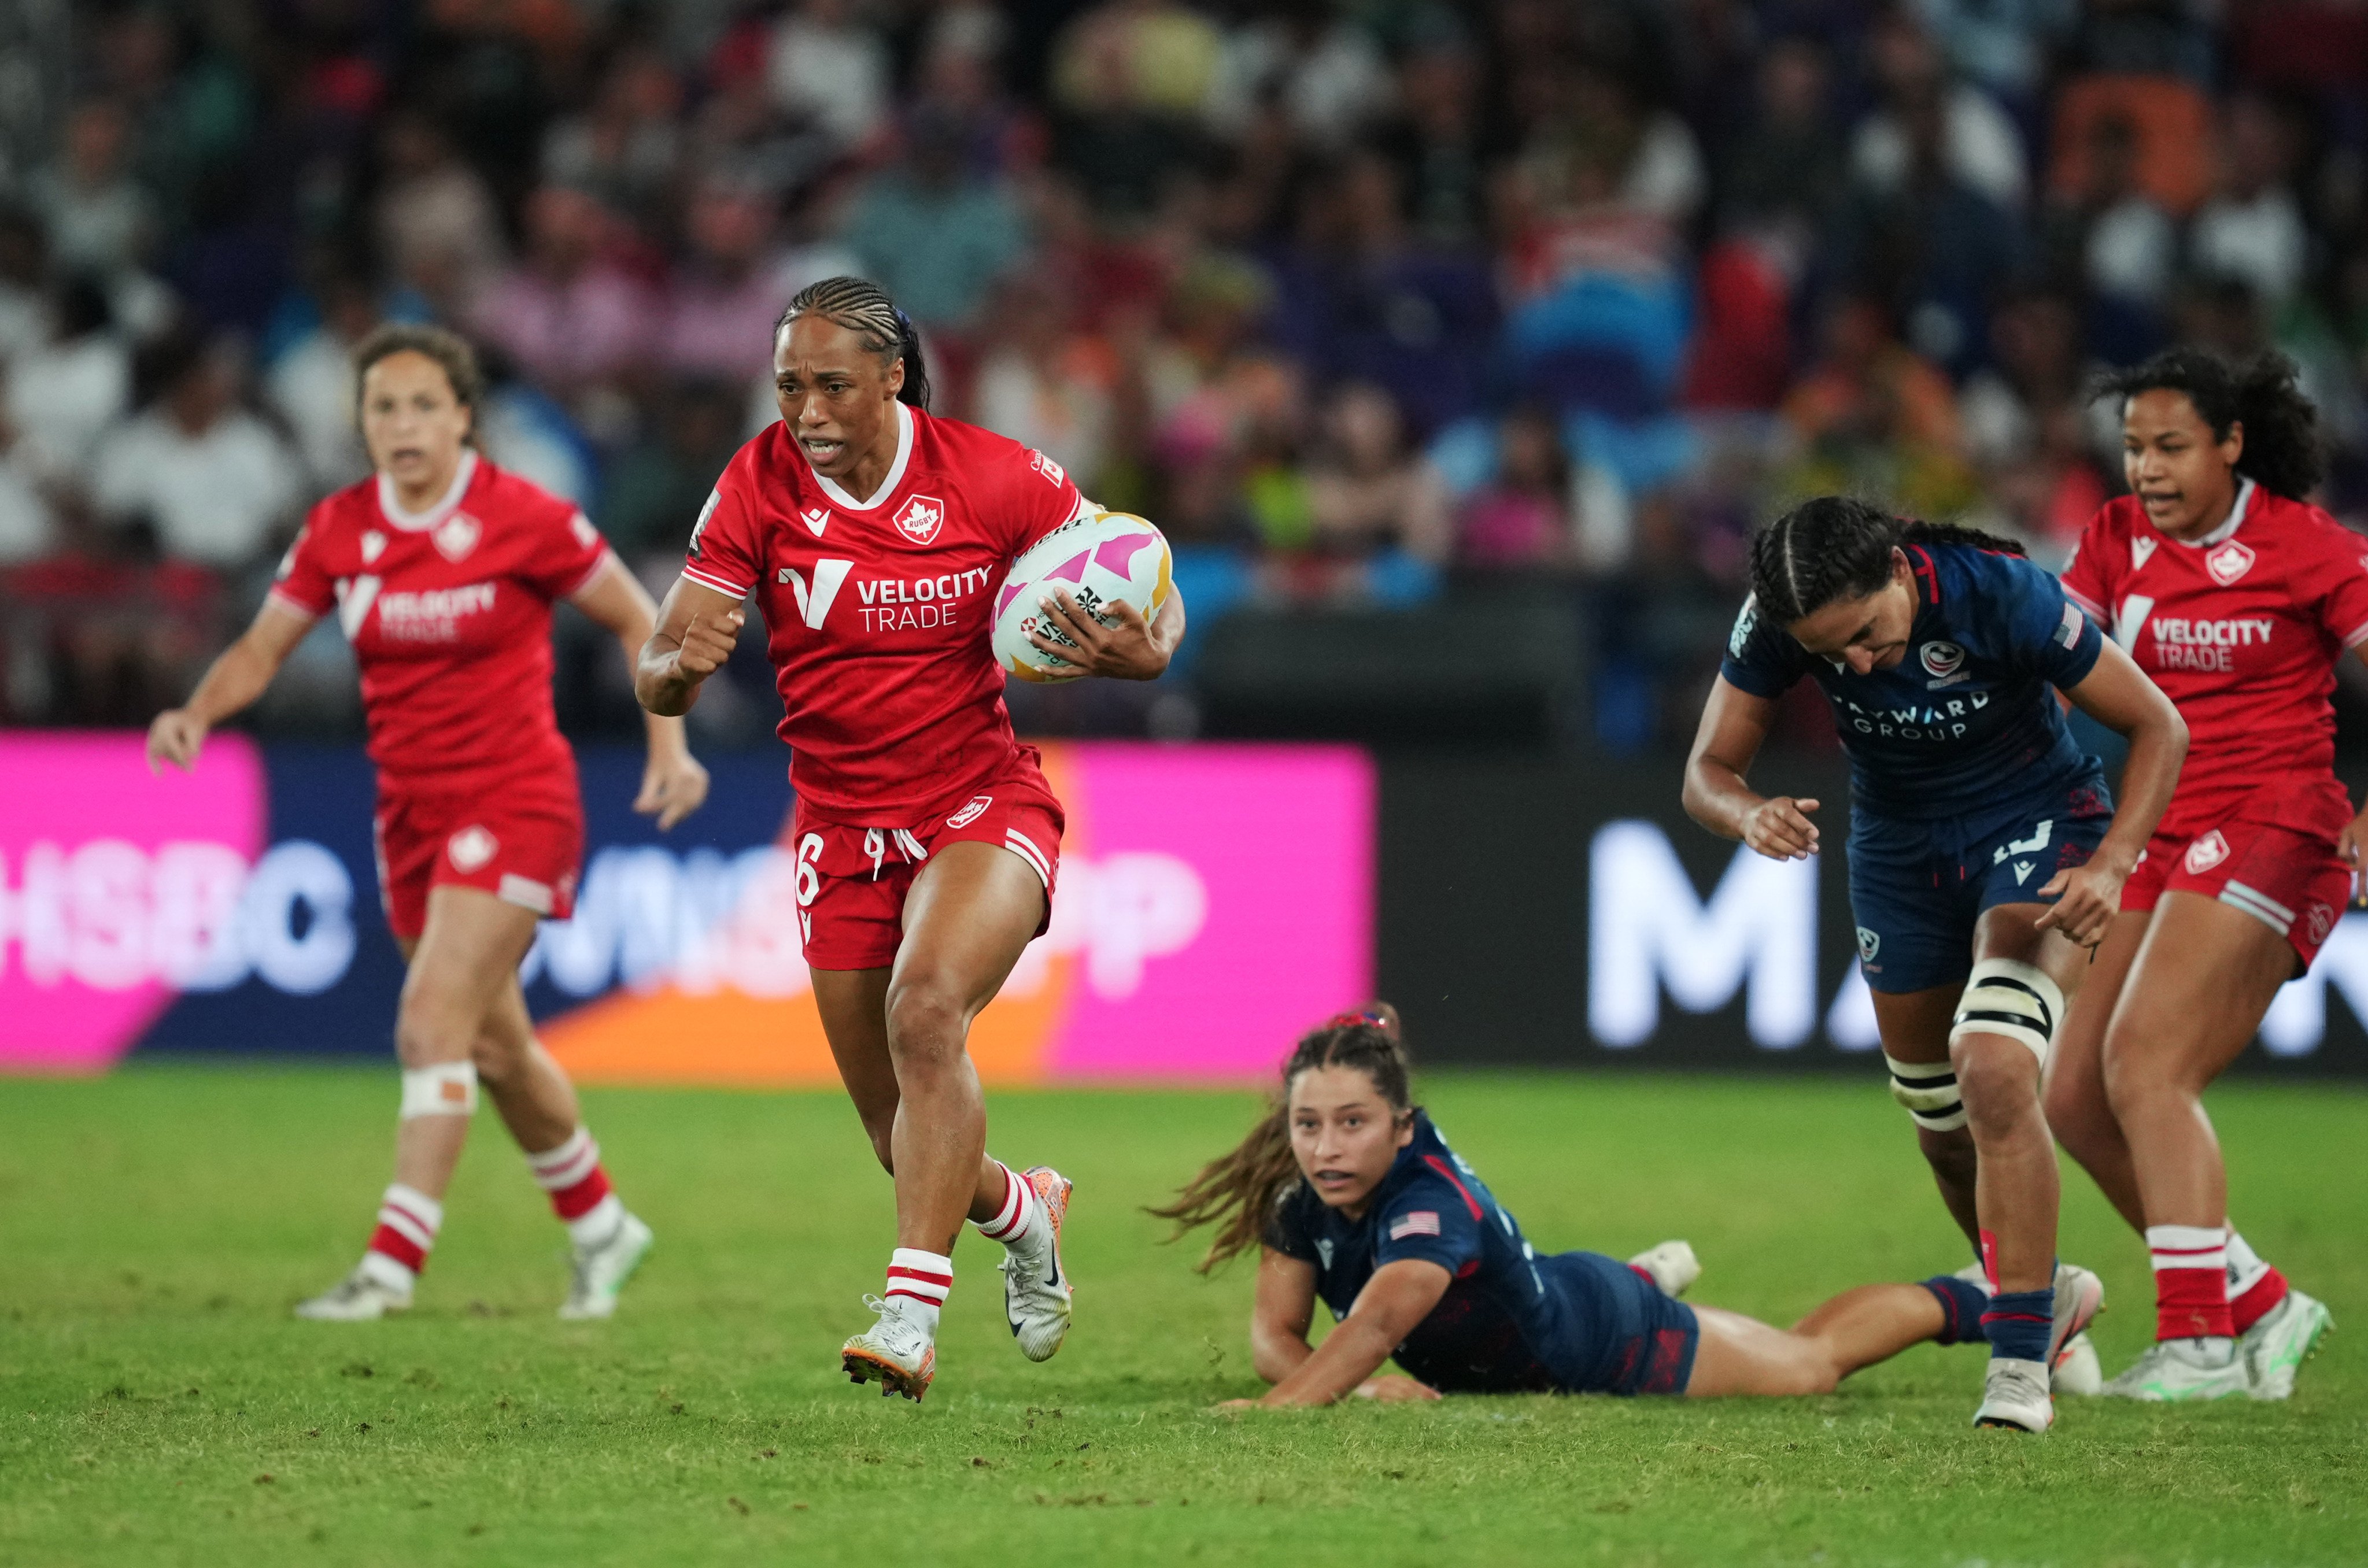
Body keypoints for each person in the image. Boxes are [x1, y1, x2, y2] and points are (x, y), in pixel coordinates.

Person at [633, 276, 1187, 1401]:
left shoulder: (994, 475)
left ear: (893, 377)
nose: (808, 411)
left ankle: (907, 1313)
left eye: (833, 385)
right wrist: (679, 673)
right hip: (837, 827)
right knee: (903, 1143)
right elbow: (659, 667)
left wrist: (1151, 650)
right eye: (790, 385)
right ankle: (1024, 1210)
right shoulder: (755, 482)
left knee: (926, 1011)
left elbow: (1134, 571)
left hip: (979, 802)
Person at [146, 325, 711, 1321]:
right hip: (408, 813)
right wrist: (197, 709)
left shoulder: (523, 517)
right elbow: (263, 648)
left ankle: (389, 1266)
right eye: (382, 408)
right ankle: (600, 1224)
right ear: (361, 424)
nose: (402, 424)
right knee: (492, 1047)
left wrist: (669, 746)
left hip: (517, 799)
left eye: (421, 405)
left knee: (429, 1023)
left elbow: (642, 621)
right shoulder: (339, 530)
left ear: (462, 418)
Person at [1682, 497, 2188, 1430]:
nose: (1859, 665)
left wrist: (2116, 863)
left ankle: (2018, 1363)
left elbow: (2160, 725)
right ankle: (2049, 1298)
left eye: (1868, 636)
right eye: (1832, 657)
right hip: (1899, 855)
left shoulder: (2002, 595)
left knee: (1994, 1065)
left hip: (2037, 825)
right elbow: (1706, 771)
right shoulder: (1781, 619)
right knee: (1943, 1126)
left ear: (1899, 573)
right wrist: (1748, 813)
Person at [1156, 1008, 2101, 1410]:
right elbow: (1278, 1337)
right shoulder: (1303, 1197)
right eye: (1309, 1124)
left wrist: (1287, 1409)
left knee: (1810, 1364)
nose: (1325, 1147)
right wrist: (1346, 1387)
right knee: (1781, 1343)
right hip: (1549, 1299)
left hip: (1611, 1340)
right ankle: (1652, 1273)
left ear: (1404, 1128)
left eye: (1352, 1123)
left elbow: (1366, 1331)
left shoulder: (1429, 1210)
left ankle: (2008, 1303)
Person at [2048, 348, 2345, 1400]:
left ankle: (2202, 1343)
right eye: (2133, 448)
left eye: (2172, 447)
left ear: (2232, 445)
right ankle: (2261, 1302)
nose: (2148, 470)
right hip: (2157, 827)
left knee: (2145, 1064)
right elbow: (2051, 657)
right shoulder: (2114, 541)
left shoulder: (2306, 548)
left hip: (2277, 816)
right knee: (2071, 1093)